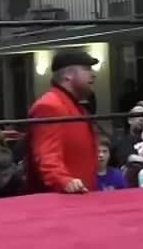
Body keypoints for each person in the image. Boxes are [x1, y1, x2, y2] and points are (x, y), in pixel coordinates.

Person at [26, 51, 99, 193]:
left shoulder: (74, 106)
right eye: (86, 69)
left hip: (78, 194)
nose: (93, 74)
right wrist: (64, 181)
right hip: (62, 197)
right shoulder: (50, 106)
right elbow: (47, 155)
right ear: (68, 75)